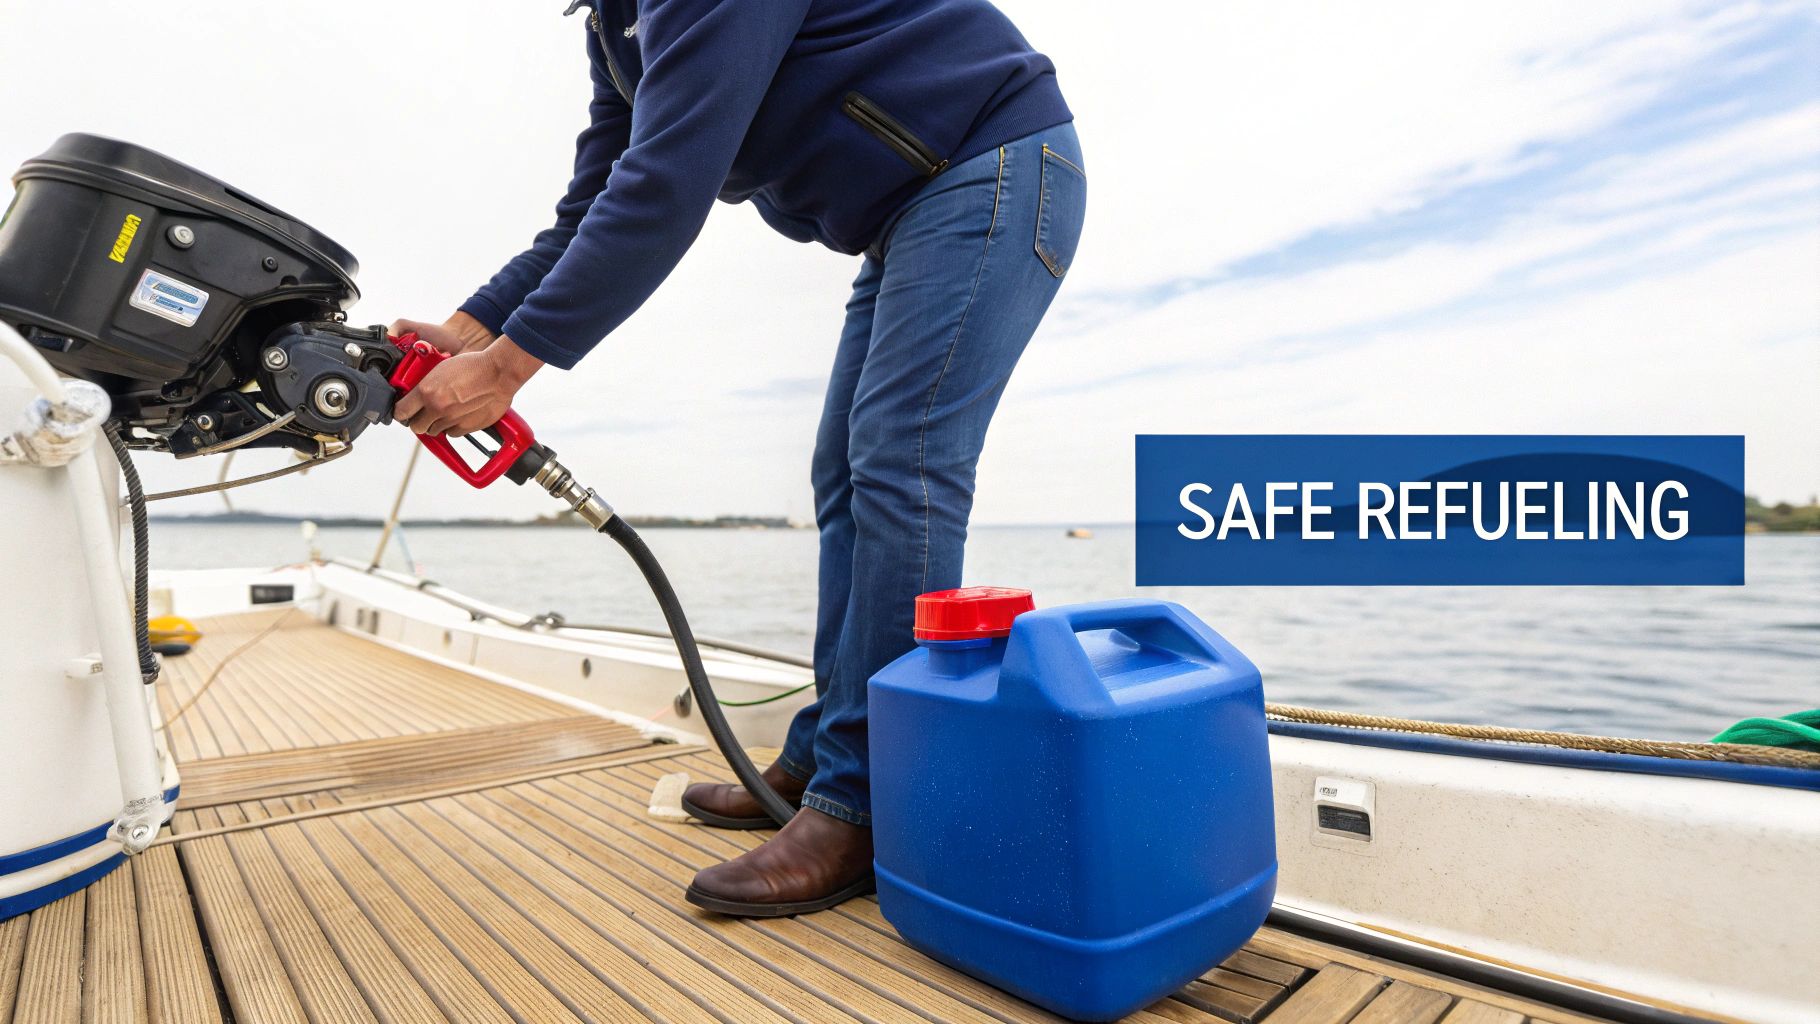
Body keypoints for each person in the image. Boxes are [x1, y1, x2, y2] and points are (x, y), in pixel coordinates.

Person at [392, 0, 1084, 916]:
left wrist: (508, 367)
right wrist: (471, 328)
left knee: (900, 461)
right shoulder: (614, 25)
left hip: (990, 163)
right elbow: (599, 198)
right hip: (907, 213)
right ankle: (824, 761)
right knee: (846, 475)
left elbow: (669, 182)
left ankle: (866, 802)